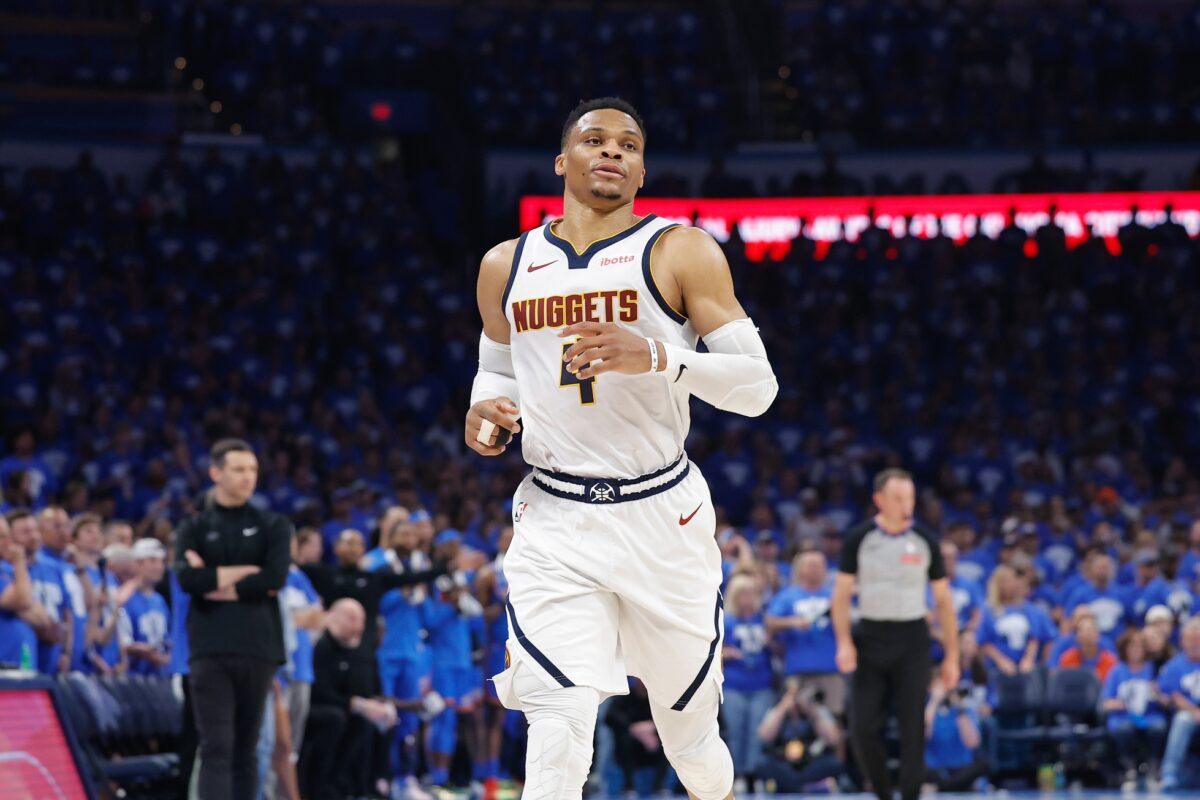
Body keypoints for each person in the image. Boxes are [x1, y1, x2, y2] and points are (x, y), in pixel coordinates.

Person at [465, 96, 778, 800]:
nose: (612, 151)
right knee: (557, 717)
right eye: (595, 140)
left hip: (661, 515)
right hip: (555, 515)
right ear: (562, 161)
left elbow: (758, 387)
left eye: (628, 145)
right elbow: (496, 371)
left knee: (690, 740)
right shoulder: (505, 264)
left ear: (641, 171)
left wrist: (659, 358)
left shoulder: (680, 250)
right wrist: (483, 413)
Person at [174, 439, 292, 800]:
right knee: (216, 746)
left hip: (259, 647)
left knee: (247, 748)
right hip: (209, 647)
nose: (248, 477)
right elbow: (189, 580)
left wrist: (215, 580)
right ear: (216, 473)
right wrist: (247, 573)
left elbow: (274, 578)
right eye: (239, 469)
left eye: (253, 469)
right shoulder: (193, 527)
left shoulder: (273, 524)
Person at [831, 469, 959, 800]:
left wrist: (952, 657)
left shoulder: (926, 540)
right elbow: (841, 596)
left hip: (913, 639)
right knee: (861, 727)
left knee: (912, 726)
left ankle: (911, 795)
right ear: (879, 500)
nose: (906, 504)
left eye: (910, 497)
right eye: (899, 498)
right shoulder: (859, 539)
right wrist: (844, 642)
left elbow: (944, 602)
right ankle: (883, 793)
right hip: (870, 637)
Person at [303, 598, 397, 800]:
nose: (359, 627)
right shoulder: (320, 644)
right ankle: (318, 789)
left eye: (362, 621)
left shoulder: (354, 650)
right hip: (312, 708)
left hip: (338, 708)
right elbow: (318, 692)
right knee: (336, 718)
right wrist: (357, 704)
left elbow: (359, 692)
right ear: (333, 616)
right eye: (353, 619)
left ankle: (353, 786)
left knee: (370, 720)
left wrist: (373, 707)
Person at [765, 550, 842, 714]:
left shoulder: (835, 596)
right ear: (800, 568)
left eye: (820, 565)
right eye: (812, 565)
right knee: (796, 718)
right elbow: (769, 621)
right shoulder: (788, 596)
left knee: (834, 716)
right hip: (798, 667)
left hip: (831, 667)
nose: (816, 569)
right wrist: (792, 622)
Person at [721, 573, 775, 791]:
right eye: (744, 593)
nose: (748, 598)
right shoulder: (726, 621)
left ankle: (754, 774)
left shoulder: (764, 620)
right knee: (736, 731)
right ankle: (736, 774)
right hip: (734, 684)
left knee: (757, 732)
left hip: (761, 684)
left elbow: (778, 649)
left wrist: (773, 642)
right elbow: (711, 650)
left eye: (752, 593)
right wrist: (726, 653)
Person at [1102, 629, 1166, 790]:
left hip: (1149, 715)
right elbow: (1105, 702)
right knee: (1123, 728)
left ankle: (1153, 768)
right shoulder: (1117, 671)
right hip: (1123, 716)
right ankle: (1129, 770)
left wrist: (1156, 693)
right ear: (1124, 649)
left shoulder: (1153, 669)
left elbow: (1166, 699)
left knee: (1158, 727)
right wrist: (1120, 704)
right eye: (1131, 647)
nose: (1135, 651)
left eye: (1139, 647)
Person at [754, 680, 844, 793]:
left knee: (833, 764)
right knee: (762, 764)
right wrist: (783, 708)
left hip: (809, 761)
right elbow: (764, 735)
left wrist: (813, 713)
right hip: (784, 762)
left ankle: (792, 786)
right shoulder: (778, 708)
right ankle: (810, 787)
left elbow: (834, 738)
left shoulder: (816, 708)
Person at [922, 671, 988, 792]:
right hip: (935, 769)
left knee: (985, 764)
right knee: (915, 767)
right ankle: (957, 786)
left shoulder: (965, 710)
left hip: (961, 768)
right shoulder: (926, 710)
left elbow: (972, 743)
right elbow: (923, 737)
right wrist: (934, 702)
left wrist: (960, 709)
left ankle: (941, 787)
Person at [1157, 618, 1200, 790]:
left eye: (1198, 638)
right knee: (1182, 720)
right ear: (1182, 641)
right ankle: (1169, 773)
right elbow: (1173, 696)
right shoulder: (1173, 666)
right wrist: (1194, 711)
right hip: (1186, 714)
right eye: (1191, 639)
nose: (1195, 643)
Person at [120, 537, 172, 676]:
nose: (159, 567)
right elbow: (122, 641)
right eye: (152, 561)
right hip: (133, 678)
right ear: (137, 563)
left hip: (160, 677)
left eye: (161, 561)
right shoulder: (125, 597)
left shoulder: (159, 600)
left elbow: (167, 637)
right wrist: (146, 652)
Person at [0, 513, 37, 668]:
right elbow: (24, 601)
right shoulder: (15, 567)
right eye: (2, 537)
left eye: (8, 535)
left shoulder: (6, 570)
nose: (9, 542)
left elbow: (41, 617)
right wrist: (19, 561)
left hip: (21, 662)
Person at [1057, 616, 1117, 680]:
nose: (1088, 634)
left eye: (1091, 630)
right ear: (1077, 636)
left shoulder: (1110, 661)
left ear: (1098, 635)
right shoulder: (1067, 659)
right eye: (1083, 631)